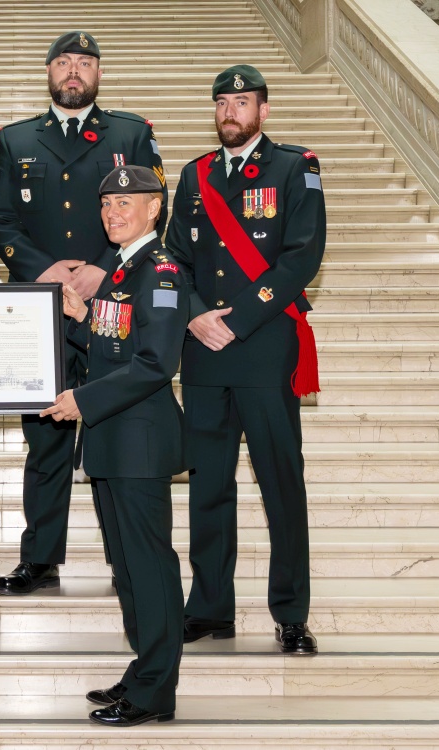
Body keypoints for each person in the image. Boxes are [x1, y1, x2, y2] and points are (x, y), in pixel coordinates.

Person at [0, 30, 167, 595]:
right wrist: (43, 271)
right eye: (63, 62)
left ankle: (124, 558)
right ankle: (39, 559)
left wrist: (103, 269)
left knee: (112, 428)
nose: (73, 71)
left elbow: (153, 210)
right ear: (49, 72)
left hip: (113, 303)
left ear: (98, 74)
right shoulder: (16, 140)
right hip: (43, 310)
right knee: (45, 435)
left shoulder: (132, 134)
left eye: (84, 62)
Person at [166, 65, 325, 654]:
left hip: (262, 349)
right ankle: (210, 607)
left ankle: (290, 613)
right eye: (223, 103)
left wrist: (235, 318)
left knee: (281, 483)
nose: (231, 111)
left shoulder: (294, 168)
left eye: (243, 102)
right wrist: (195, 311)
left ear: (262, 110)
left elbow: (300, 258)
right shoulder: (194, 176)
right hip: (204, 351)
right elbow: (174, 258)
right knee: (208, 484)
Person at [42, 165, 186, 726]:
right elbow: (114, 345)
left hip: (139, 443)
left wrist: (83, 400)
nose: (114, 212)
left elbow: (154, 364)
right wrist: (79, 320)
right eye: (107, 204)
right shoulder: (125, 271)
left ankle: (155, 691)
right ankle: (145, 666)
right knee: (126, 567)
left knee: (148, 566)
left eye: (128, 202)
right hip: (112, 441)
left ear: (155, 208)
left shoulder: (163, 271)